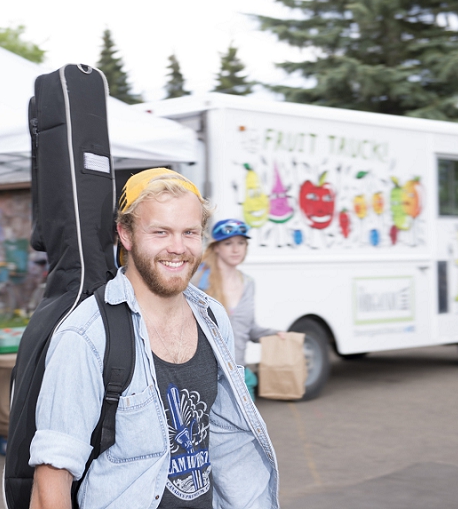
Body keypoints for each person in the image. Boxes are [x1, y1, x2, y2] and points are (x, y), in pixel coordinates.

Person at [29, 168, 279, 508]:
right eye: (160, 232)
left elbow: (226, 440)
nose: (178, 248)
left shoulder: (212, 317)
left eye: (190, 232)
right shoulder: (87, 335)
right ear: (126, 234)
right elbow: (51, 478)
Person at [194, 219, 285, 390]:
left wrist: (273, 335)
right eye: (228, 243)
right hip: (206, 378)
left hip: (239, 377)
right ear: (216, 247)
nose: (236, 249)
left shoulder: (248, 283)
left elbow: (247, 328)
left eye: (241, 243)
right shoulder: (198, 280)